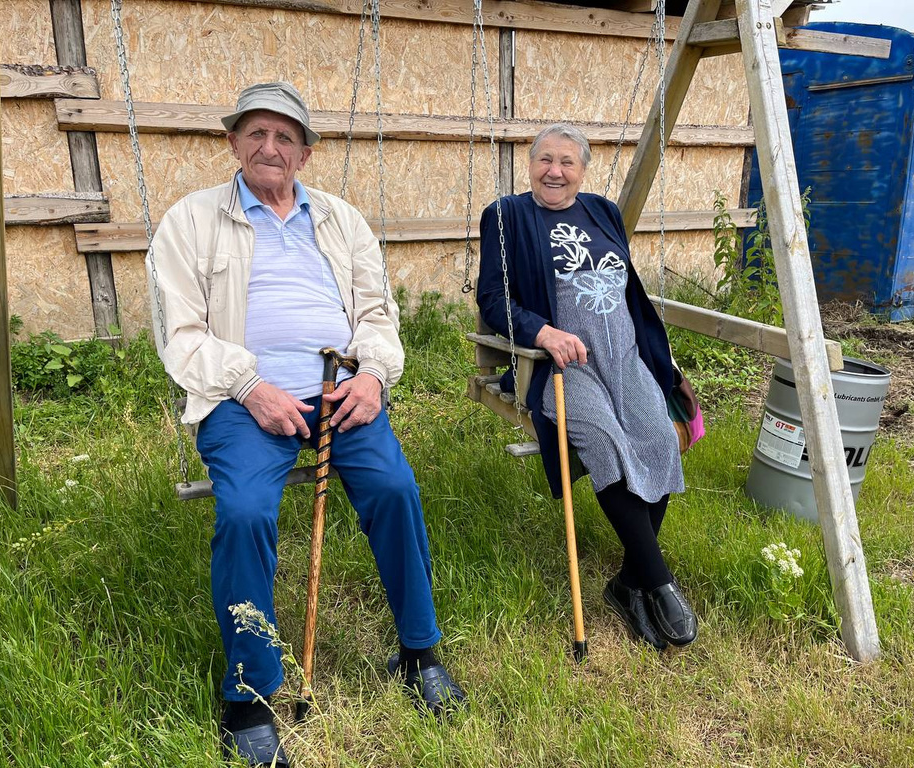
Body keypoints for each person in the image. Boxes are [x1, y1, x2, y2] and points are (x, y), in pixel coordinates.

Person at [150, 81, 465, 767]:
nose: (270, 147)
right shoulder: (190, 221)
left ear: (305, 154)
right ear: (233, 143)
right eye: (256, 133)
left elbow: (377, 315)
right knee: (244, 512)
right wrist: (249, 385)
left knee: (394, 489)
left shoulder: (341, 220)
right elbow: (180, 334)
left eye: (285, 137)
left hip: (340, 390)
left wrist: (373, 376)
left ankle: (419, 652)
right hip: (242, 399)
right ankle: (250, 694)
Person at [476, 123, 698, 653]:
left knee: (660, 439)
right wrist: (543, 333)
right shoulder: (507, 216)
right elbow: (492, 299)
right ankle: (659, 581)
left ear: (582, 171)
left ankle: (627, 583)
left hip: (624, 360)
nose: (554, 171)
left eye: (567, 162)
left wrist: (656, 355)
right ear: (530, 164)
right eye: (544, 160)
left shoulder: (604, 211)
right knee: (605, 443)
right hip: (563, 367)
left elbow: (628, 292)